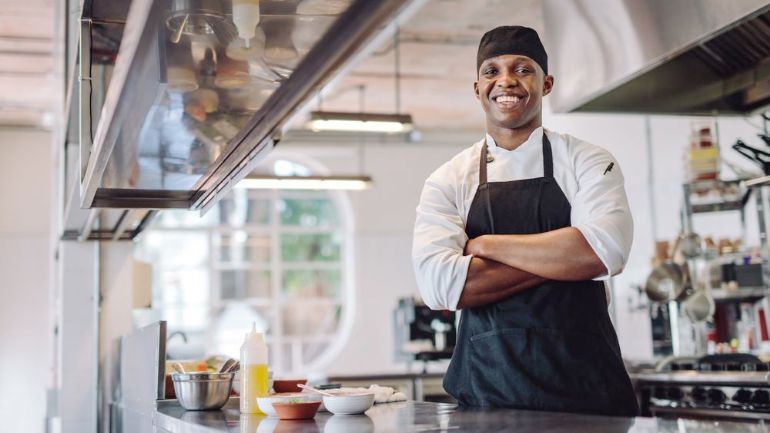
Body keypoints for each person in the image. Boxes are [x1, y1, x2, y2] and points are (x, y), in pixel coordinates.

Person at [411, 26, 639, 416]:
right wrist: (565, 256)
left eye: (522, 69)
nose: (506, 81)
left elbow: (605, 252)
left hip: (587, 395)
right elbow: (440, 286)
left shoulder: (587, 161)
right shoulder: (449, 179)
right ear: (477, 87)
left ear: (546, 83)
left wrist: (485, 246)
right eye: (492, 71)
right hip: (487, 398)